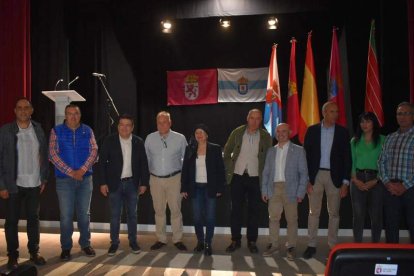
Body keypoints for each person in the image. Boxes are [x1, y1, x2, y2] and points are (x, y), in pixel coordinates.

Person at [0, 98, 48, 269]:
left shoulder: (38, 129)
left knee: (33, 220)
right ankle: (13, 256)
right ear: (14, 111)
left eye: (26, 108)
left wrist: (44, 178)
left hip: (34, 183)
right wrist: (2, 185)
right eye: (19, 108)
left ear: (31, 110)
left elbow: (44, 154)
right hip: (13, 185)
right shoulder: (5, 131)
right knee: (11, 222)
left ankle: (34, 252)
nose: (23, 111)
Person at [302, 101, 351, 259]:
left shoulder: (343, 132)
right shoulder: (312, 130)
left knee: (334, 213)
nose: (335, 114)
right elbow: (306, 156)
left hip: (335, 177)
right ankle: (311, 244)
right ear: (324, 113)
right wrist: (307, 179)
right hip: (315, 176)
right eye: (332, 111)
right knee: (313, 212)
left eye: (337, 111)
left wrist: (345, 182)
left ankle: (333, 246)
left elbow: (347, 158)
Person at [49, 103, 98, 261]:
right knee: (66, 216)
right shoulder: (56, 131)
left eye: (76, 113)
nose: (73, 116)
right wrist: (71, 172)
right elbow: (52, 155)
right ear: (65, 115)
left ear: (80, 115)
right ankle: (66, 247)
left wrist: (82, 170)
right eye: (70, 113)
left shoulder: (87, 130)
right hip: (64, 181)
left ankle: (85, 244)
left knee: (84, 215)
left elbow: (94, 151)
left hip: (85, 179)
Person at [98, 114, 149, 256]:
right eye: (122, 124)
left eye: (128, 125)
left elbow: (144, 164)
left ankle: (133, 241)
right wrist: (102, 182)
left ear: (132, 127)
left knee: (132, 214)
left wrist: (144, 183)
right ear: (118, 126)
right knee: (114, 215)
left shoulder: (139, 142)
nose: (124, 127)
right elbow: (101, 163)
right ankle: (114, 243)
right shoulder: (109, 141)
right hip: (115, 184)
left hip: (132, 184)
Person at [223, 109, 272, 253]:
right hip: (237, 176)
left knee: (254, 211)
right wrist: (229, 168)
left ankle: (252, 241)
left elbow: (268, 160)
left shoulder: (266, 136)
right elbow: (227, 152)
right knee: (236, 210)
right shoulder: (237, 132)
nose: (255, 121)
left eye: (258, 119)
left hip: (256, 178)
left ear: (261, 120)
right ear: (247, 118)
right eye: (252, 118)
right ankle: (235, 240)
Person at [261, 123, 308, 260]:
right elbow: (266, 172)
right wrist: (264, 189)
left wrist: (300, 192)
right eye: (278, 131)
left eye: (284, 131)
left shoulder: (299, 150)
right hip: (274, 188)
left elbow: (303, 173)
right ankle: (273, 244)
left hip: (291, 188)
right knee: (273, 218)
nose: (281, 134)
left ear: (290, 132)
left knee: (292, 219)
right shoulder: (271, 151)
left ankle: (291, 246)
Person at [144, 111, 188, 251]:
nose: (162, 125)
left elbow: (186, 160)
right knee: (159, 211)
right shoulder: (150, 138)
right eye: (159, 122)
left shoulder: (180, 138)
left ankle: (177, 239)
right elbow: (146, 160)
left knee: (176, 210)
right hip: (155, 179)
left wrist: (185, 181)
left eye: (165, 122)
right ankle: (161, 239)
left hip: (175, 178)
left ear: (170, 123)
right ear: (156, 123)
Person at [181, 124, 225, 256]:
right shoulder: (190, 148)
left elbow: (220, 170)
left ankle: (208, 243)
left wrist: (219, 187)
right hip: (195, 188)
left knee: (210, 218)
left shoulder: (215, 149)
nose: (199, 135)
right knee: (197, 217)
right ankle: (200, 241)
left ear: (206, 135)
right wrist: (184, 188)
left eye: (201, 132)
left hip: (210, 188)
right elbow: (185, 170)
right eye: (196, 133)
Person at [378, 102, 414, 243]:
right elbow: (381, 162)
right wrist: (387, 183)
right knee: (391, 226)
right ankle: (391, 258)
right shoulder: (390, 137)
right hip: (390, 189)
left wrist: (405, 185)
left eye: (406, 113)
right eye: (399, 114)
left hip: (411, 189)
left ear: (412, 116)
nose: (402, 117)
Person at [350, 112, 385, 243]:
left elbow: (385, 163)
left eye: (368, 121)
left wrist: (376, 180)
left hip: (377, 180)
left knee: (376, 216)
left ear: (373, 123)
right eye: (362, 122)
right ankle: (357, 245)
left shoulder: (383, 139)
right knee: (358, 216)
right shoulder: (355, 141)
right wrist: (355, 180)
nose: (364, 124)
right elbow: (351, 162)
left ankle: (375, 245)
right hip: (357, 179)